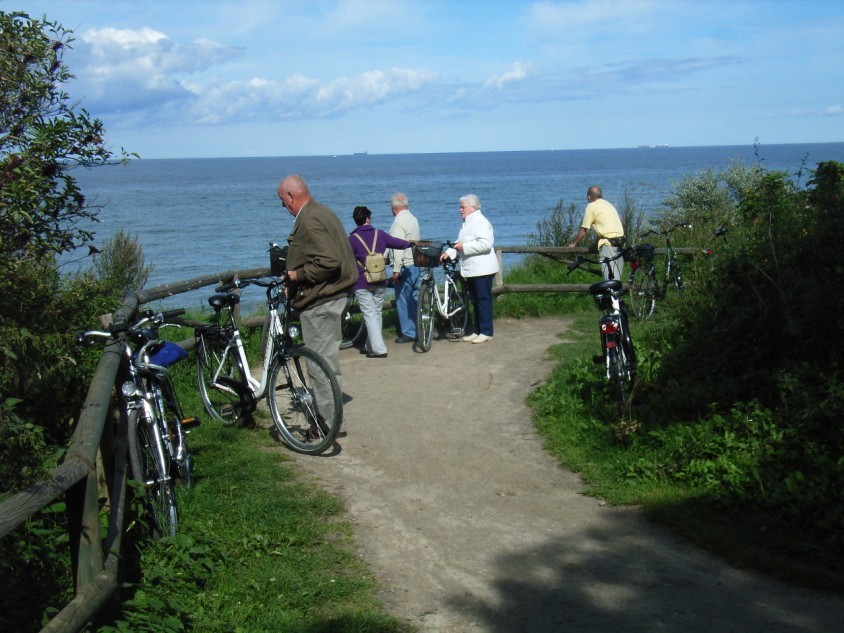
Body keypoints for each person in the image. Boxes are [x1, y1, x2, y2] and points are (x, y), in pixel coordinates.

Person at [277, 174, 358, 432]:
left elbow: (329, 261)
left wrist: (297, 275)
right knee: (327, 361)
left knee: (319, 363)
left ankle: (327, 422)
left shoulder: (310, 220)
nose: (284, 207)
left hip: (321, 300)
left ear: (291, 196)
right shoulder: (323, 212)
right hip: (333, 296)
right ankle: (332, 419)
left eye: (283, 201)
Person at [348, 205, 412, 358]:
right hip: (380, 279)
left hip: (362, 281)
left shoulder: (351, 239)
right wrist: (411, 243)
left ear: (356, 221)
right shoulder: (380, 234)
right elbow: (398, 243)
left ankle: (379, 349)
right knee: (376, 313)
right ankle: (371, 345)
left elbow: (345, 259)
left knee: (369, 314)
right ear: (368, 219)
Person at [441, 194, 498, 344]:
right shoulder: (467, 223)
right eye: (460, 207)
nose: (460, 210)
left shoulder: (481, 222)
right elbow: (459, 243)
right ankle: (477, 329)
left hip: (482, 269)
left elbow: (486, 244)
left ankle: (486, 331)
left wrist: (464, 247)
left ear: (472, 207)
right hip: (472, 269)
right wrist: (449, 253)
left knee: (483, 300)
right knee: (474, 299)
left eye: (463, 207)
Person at [568, 185, 625, 281]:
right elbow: (605, 230)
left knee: (609, 279)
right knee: (617, 277)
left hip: (608, 246)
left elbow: (583, 229)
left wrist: (574, 244)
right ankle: (617, 295)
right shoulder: (608, 205)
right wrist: (595, 245)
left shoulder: (591, 206)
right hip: (620, 243)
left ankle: (612, 295)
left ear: (589, 197)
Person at [388, 192, 421, 344]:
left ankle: (409, 331)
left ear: (393, 207)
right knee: (414, 298)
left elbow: (398, 247)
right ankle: (419, 328)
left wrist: (396, 270)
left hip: (405, 265)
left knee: (402, 299)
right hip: (415, 263)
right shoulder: (413, 219)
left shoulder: (398, 223)